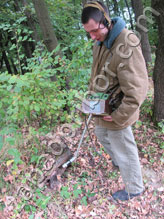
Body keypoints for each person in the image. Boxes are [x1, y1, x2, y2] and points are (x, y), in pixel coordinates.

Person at [81, 1, 148, 201]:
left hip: (119, 109)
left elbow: (137, 89)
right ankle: (120, 162)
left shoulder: (126, 42)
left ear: (106, 21)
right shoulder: (101, 42)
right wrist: (90, 100)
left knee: (124, 147)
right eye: (88, 32)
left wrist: (119, 116)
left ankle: (135, 188)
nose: (92, 36)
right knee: (101, 133)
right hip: (103, 106)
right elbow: (99, 76)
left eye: (94, 30)